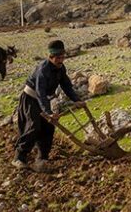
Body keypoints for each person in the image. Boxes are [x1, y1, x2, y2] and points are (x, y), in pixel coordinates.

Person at [12, 40, 85, 171]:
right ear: (51, 57)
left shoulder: (61, 68)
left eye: (62, 57)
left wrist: (76, 100)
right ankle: (19, 157)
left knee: (49, 128)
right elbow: (40, 93)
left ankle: (41, 159)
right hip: (31, 98)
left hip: (43, 100)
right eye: (58, 58)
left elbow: (66, 85)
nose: (61, 60)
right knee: (33, 126)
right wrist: (48, 112)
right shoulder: (43, 70)